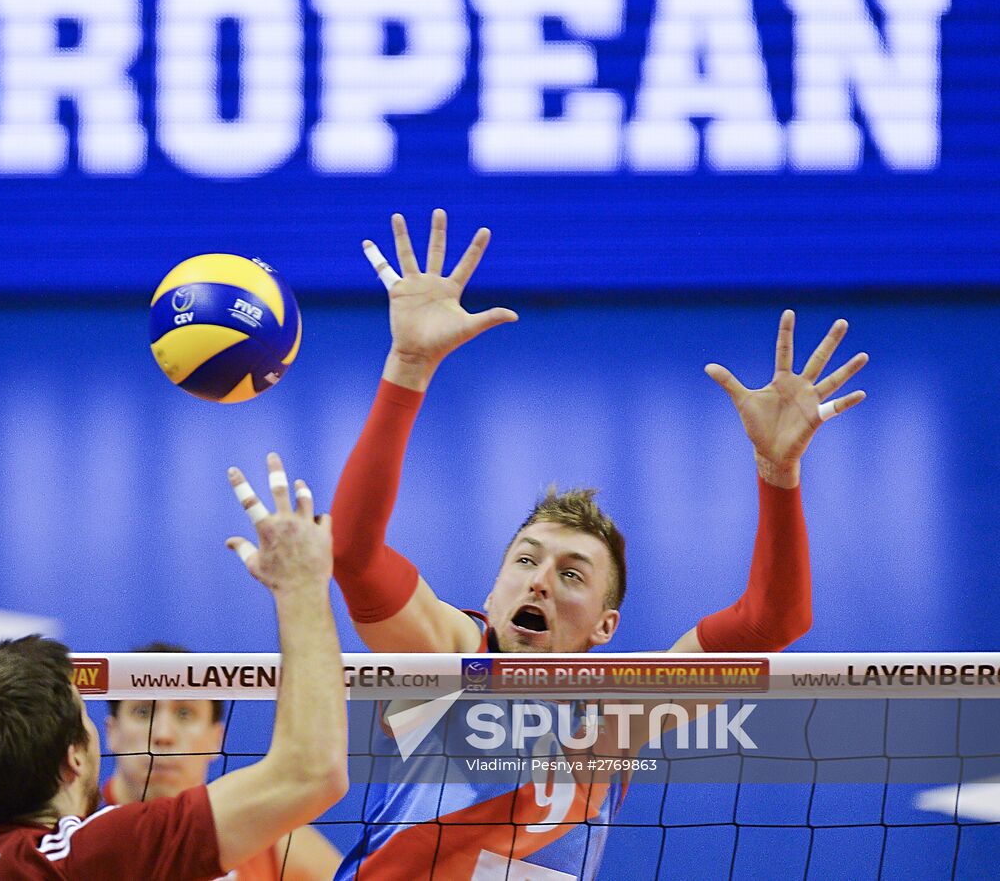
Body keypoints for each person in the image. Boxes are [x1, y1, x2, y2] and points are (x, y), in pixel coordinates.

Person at [323, 210, 868, 879]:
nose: (540, 580)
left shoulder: (614, 716)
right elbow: (351, 551)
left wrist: (779, 475)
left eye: (572, 574)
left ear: (606, 627)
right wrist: (407, 365)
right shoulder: (444, 661)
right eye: (524, 561)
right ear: (492, 594)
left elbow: (776, 621)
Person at [0, 454, 347, 881]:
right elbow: (311, 771)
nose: (163, 734)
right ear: (74, 759)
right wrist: (301, 584)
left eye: (184, 713)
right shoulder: (103, 850)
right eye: (88, 719)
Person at [104, 642, 343, 880]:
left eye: (184, 713)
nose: (163, 735)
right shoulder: (74, 833)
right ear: (112, 732)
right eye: (143, 712)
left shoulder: (275, 841)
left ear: (216, 738)